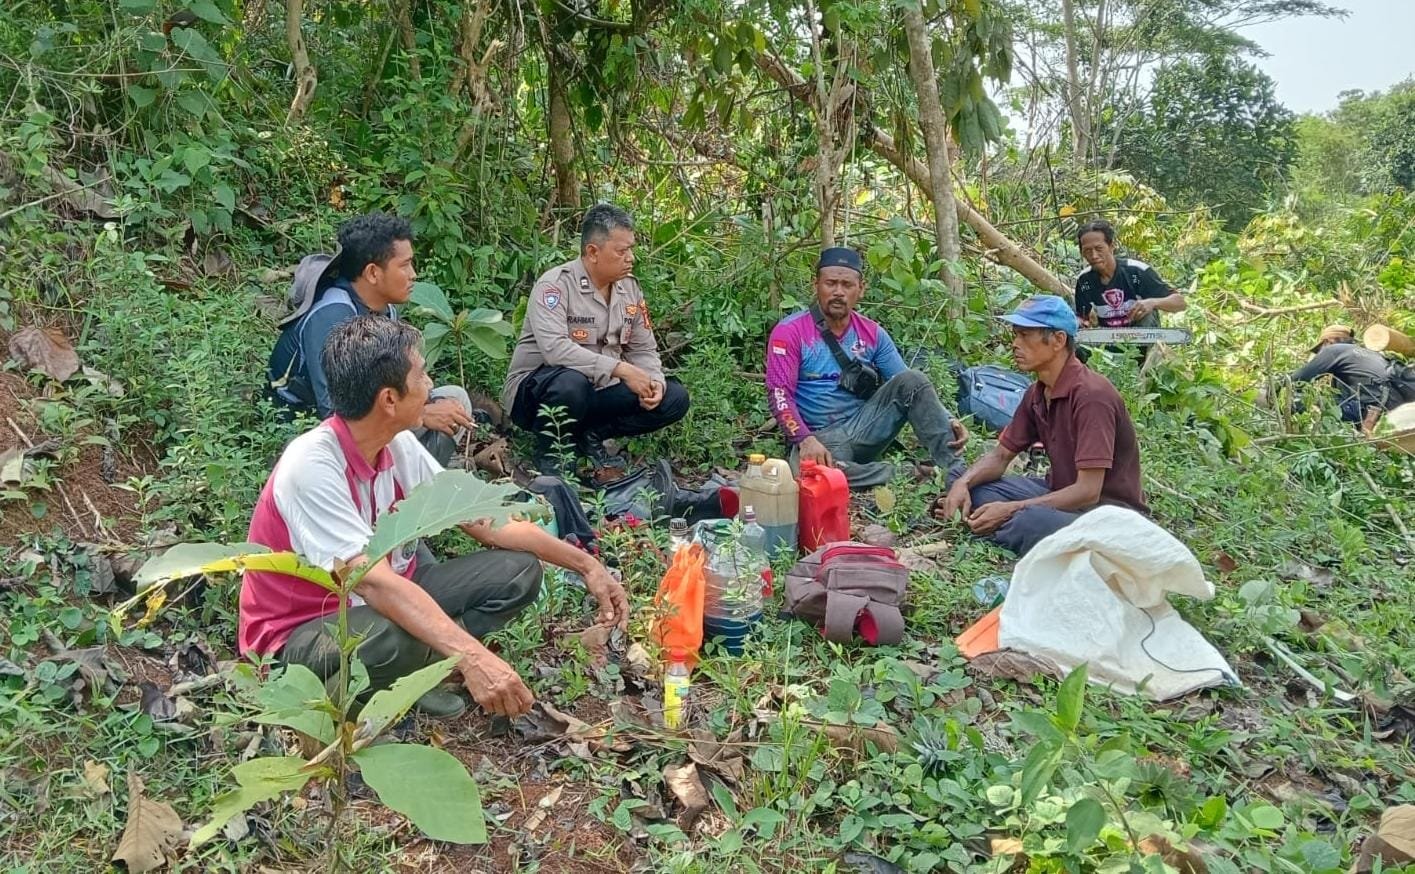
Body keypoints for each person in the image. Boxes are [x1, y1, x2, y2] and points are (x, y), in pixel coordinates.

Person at [241, 315, 629, 719]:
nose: (430, 386)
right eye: (422, 375)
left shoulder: (398, 445)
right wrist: (473, 657)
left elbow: (486, 522)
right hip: (301, 631)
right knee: (395, 630)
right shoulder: (311, 466)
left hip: (381, 597)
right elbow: (371, 583)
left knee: (518, 572)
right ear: (389, 400)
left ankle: (417, 671)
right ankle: (340, 706)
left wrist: (587, 565)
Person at [933, 295, 1148, 556]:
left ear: (1058, 340)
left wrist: (1011, 509)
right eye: (1015, 335)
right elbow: (1001, 456)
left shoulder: (1092, 396)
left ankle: (982, 523)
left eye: (1025, 335)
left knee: (1031, 521)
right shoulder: (1037, 392)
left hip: (1106, 516)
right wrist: (963, 484)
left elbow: (1088, 491)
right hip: (1058, 493)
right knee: (963, 480)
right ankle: (984, 520)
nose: (1015, 344)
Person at [267, 212, 475, 467]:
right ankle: (388, 485)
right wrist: (421, 414)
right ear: (373, 273)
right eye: (404, 265)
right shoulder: (333, 317)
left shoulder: (386, 311)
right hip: (304, 432)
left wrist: (424, 396)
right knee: (431, 414)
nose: (413, 274)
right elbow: (335, 412)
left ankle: (411, 482)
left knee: (454, 400)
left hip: (368, 414)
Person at [502, 204, 689, 477]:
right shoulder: (555, 286)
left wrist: (654, 382)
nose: (631, 258)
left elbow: (643, 349)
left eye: (631, 249)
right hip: (539, 394)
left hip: (598, 391)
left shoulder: (630, 290)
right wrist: (621, 369)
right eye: (622, 251)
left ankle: (589, 435)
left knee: (674, 397)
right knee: (571, 383)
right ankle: (551, 453)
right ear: (592, 252)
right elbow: (555, 350)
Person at [764, 246, 967, 490]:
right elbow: (779, 395)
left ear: (861, 289)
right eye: (830, 283)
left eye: (847, 285)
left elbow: (909, 386)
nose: (838, 292)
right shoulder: (790, 332)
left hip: (864, 428)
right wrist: (805, 439)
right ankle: (911, 473)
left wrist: (948, 419)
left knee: (913, 378)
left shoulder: (873, 333)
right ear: (816, 285)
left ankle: (956, 473)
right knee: (806, 473)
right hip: (818, 438)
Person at [1284, 324, 1408, 430]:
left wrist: (1276, 389)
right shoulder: (1373, 354)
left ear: (1328, 342)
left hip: (1367, 409)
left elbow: (1296, 380)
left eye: (1319, 349)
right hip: (1394, 410)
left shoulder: (1333, 350)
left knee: (1296, 399)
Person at [1073, 219, 1186, 329]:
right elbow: (1082, 316)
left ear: (1112, 246)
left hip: (1144, 337)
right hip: (1107, 338)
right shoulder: (1084, 280)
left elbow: (1180, 303)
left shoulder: (1137, 271)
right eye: (1087, 251)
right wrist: (1080, 322)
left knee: (1147, 313)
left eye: (1099, 249)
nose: (1094, 256)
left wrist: (1153, 302)